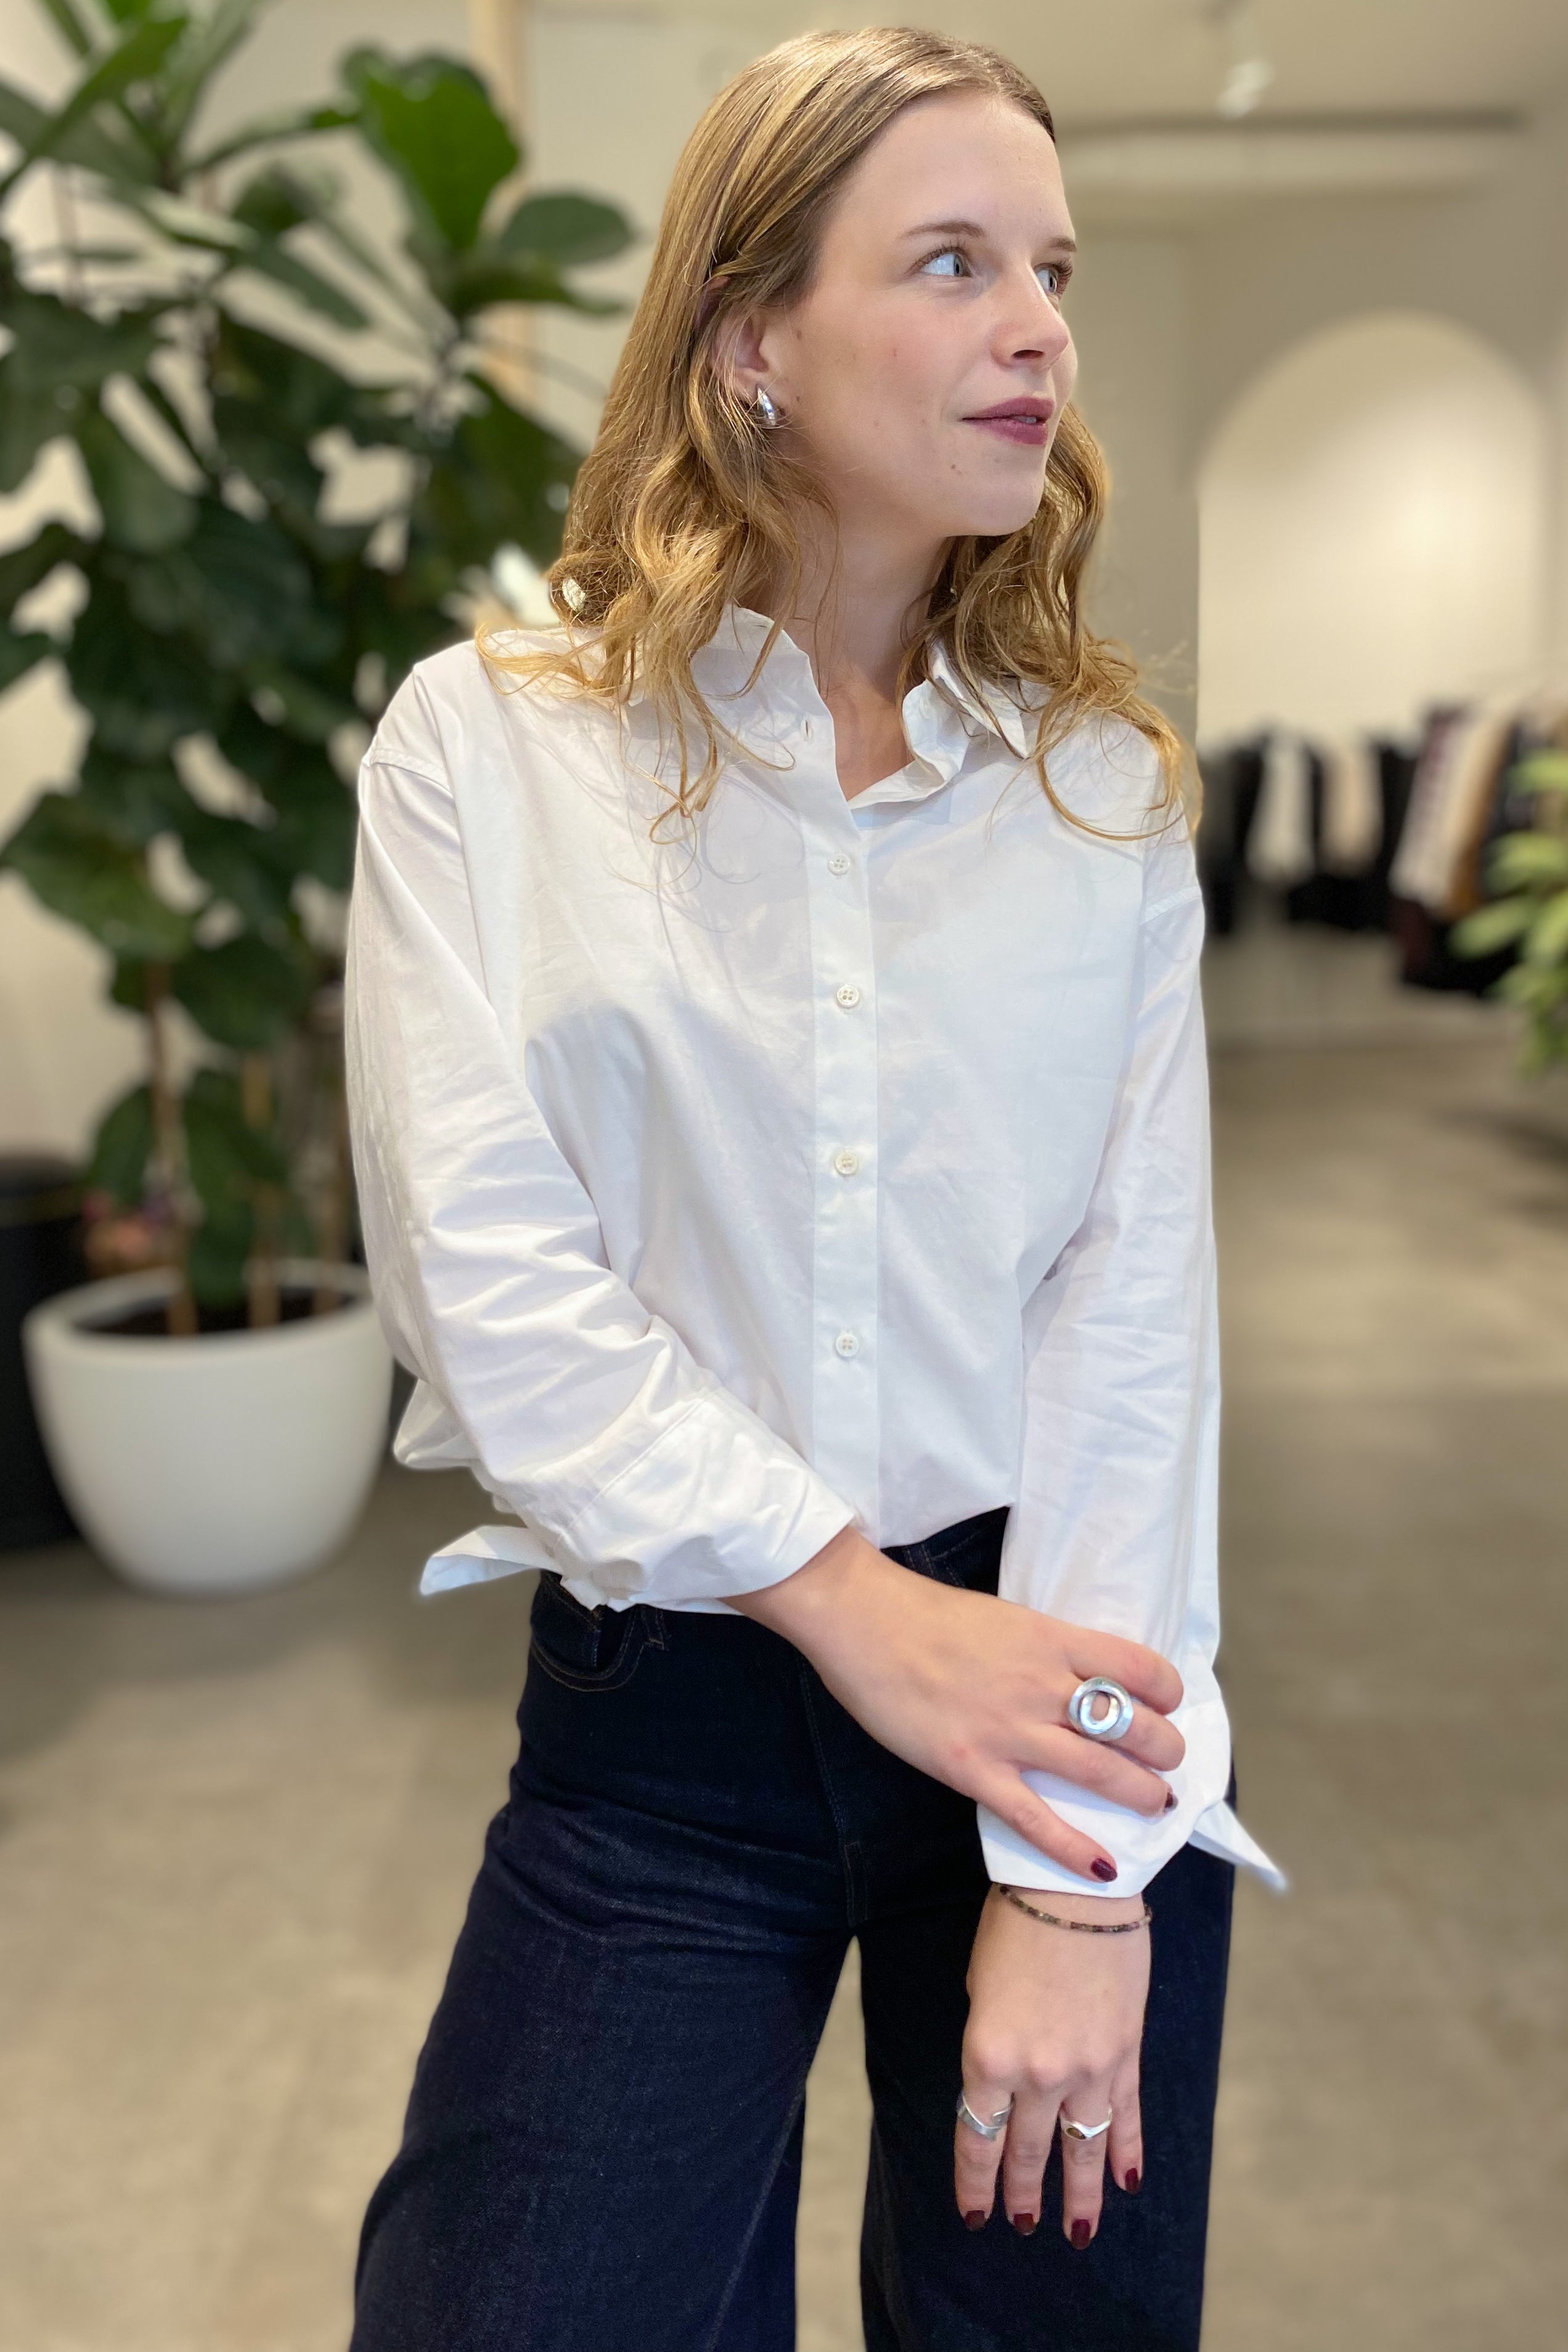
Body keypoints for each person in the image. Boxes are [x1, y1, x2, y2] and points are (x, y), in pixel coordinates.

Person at [342, 26, 1279, 2351]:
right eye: (953, 261)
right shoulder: (493, 749)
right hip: (670, 1721)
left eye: (1053, 269)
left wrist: (1082, 1873)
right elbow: (488, 1288)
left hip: (1054, 1698)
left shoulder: (1099, 795)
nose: (1038, 328)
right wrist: (862, 1612)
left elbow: (1129, 1327)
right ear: (747, 335)